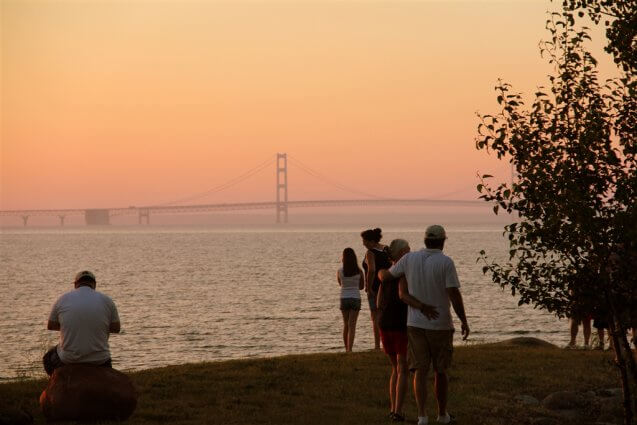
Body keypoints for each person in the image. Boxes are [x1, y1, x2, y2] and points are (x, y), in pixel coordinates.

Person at [379, 225, 468, 425]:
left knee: (419, 371)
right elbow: (454, 294)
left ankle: (422, 416)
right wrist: (463, 320)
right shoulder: (446, 262)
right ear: (443, 240)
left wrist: (379, 272)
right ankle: (442, 414)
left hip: (415, 325)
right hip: (441, 324)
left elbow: (387, 277)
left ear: (425, 239)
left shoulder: (409, 259)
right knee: (440, 371)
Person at [43, 271, 121, 376]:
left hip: (69, 359)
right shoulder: (107, 300)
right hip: (100, 359)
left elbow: (51, 325)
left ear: (75, 284)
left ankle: (57, 381)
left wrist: (69, 326)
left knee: (48, 358)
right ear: (94, 284)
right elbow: (116, 328)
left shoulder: (62, 299)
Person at [377, 239, 410, 422]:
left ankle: (393, 408)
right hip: (399, 324)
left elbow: (379, 302)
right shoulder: (404, 274)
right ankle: (398, 411)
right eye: (407, 251)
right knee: (403, 368)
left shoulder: (385, 274)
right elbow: (404, 296)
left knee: (395, 368)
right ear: (401, 254)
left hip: (385, 323)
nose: (410, 254)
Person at [361, 228, 392, 350]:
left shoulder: (370, 253)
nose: (363, 244)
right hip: (388, 287)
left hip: (375, 288)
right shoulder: (386, 249)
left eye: (364, 241)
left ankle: (377, 345)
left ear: (372, 241)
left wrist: (368, 288)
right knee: (387, 316)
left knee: (375, 317)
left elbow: (372, 270)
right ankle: (389, 342)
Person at [337, 248, 364, 352]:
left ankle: (346, 349)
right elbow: (361, 287)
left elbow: (340, 284)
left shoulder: (340, 271)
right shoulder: (359, 271)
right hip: (355, 298)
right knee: (352, 326)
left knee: (346, 324)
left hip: (344, 297)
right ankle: (350, 349)